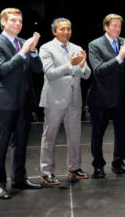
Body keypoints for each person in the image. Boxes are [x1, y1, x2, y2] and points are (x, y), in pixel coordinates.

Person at [0, 8, 43, 199]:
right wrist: (23, 52)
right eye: (13, 20)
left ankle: (19, 179)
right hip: (5, 102)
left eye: (20, 21)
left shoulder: (23, 43)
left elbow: (37, 70)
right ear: (3, 22)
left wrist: (33, 51)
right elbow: (2, 69)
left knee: (21, 143)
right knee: (0, 145)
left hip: (24, 102)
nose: (18, 24)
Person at [38, 18, 91, 186]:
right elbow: (50, 73)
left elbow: (87, 74)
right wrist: (70, 64)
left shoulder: (76, 48)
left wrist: (82, 65)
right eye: (62, 29)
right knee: (49, 137)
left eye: (68, 29)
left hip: (74, 100)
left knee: (75, 136)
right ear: (54, 31)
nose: (66, 32)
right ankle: (46, 172)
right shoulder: (46, 48)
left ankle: (74, 168)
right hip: (54, 99)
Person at [88, 13, 125, 178]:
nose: (117, 29)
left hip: (122, 97)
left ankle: (118, 162)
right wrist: (120, 56)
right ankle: (98, 165)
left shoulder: (124, 42)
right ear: (106, 27)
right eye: (114, 25)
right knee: (98, 133)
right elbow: (98, 70)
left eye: (119, 26)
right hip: (101, 98)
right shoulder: (95, 45)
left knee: (121, 133)